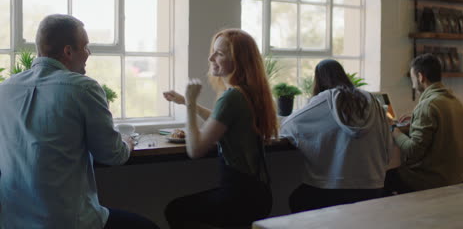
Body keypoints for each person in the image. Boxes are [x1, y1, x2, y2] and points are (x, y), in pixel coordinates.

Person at [0, 14, 159, 229]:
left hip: (14, 221)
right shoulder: (82, 88)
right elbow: (112, 155)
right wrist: (126, 142)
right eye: (85, 47)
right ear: (68, 51)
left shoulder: (5, 89)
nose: (88, 54)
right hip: (67, 222)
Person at [163, 29, 278, 228]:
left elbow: (195, 150)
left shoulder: (232, 97)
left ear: (238, 61)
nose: (211, 57)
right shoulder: (249, 92)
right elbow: (222, 121)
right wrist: (186, 102)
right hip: (259, 194)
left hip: (239, 198)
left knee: (175, 210)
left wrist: (191, 103)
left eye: (220, 54)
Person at [280, 59, 393, 213]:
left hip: (333, 191)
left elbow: (289, 125)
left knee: (296, 200)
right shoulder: (373, 101)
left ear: (319, 79)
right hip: (373, 187)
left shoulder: (325, 99)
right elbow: (388, 142)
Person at [384, 53, 463, 194]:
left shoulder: (428, 105)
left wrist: (393, 128)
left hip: (432, 180)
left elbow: (412, 152)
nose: (413, 84)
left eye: (412, 79)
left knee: (385, 176)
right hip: (456, 177)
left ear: (420, 77)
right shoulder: (454, 102)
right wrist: (414, 122)